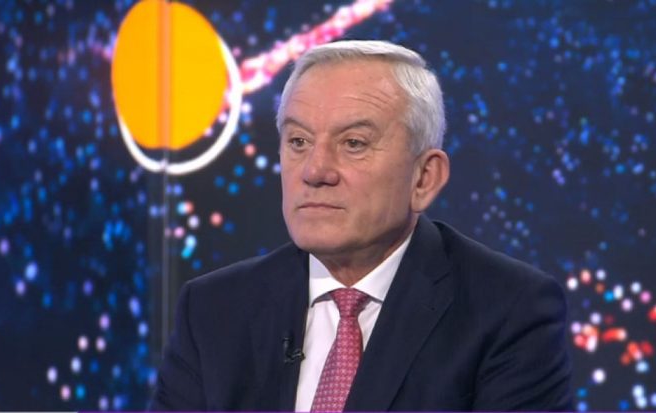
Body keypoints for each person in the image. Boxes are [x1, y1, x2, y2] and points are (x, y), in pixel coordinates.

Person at [150, 40, 572, 411]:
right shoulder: (214, 310)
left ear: (424, 178)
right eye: (298, 142)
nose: (315, 170)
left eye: (353, 143)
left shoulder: (507, 311)